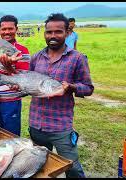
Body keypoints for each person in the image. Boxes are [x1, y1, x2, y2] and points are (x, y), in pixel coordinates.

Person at [28, 13, 94, 178]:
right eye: (49, 32)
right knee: (39, 167)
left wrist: (71, 87)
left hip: (60, 127)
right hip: (36, 123)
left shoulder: (77, 58)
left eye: (58, 32)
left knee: (72, 168)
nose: (53, 36)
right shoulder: (36, 57)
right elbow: (28, 81)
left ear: (67, 33)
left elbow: (88, 88)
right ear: (44, 33)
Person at [0, 15, 30, 136]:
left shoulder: (22, 51)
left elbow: (23, 80)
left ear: (16, 29)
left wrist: (7, 66)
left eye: (10, 28)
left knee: (11, 135)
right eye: (4, 29)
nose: (7, 32)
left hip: (11, 101)